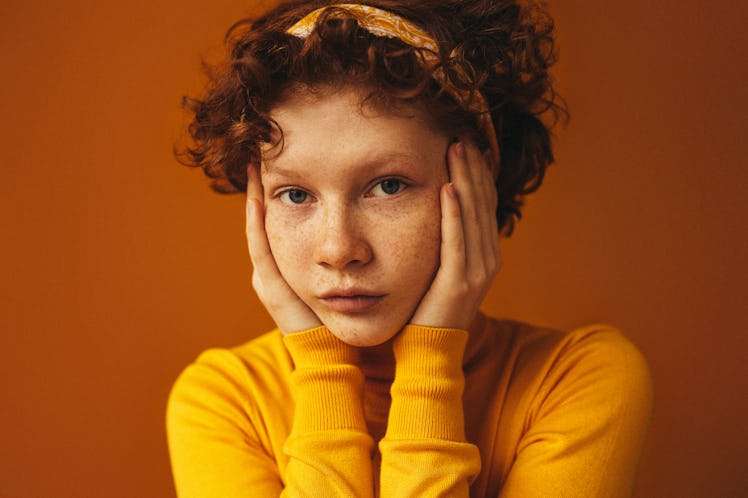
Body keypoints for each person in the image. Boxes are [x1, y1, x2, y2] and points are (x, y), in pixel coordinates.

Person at [167, 1, 653, 496]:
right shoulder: (224, 399)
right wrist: (322, 369)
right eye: (296, 195)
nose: (338, 249)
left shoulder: (575, 379)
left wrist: (430, 357)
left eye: (389, 186)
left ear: (475, 181)